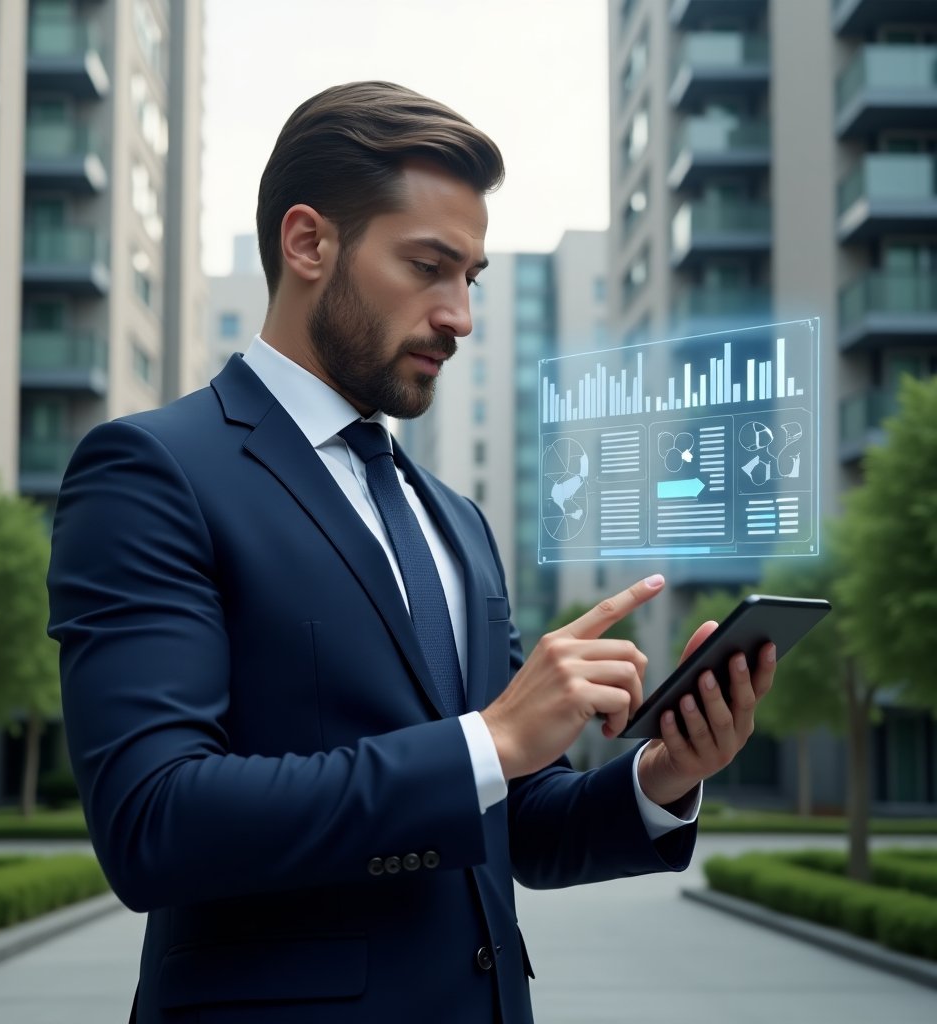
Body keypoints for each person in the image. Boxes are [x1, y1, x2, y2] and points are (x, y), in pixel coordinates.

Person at [47, 81, 775, 1024]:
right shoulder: (152, 471)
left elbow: (515, 821)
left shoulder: (457, 522)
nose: (459, 317)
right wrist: (492, 737)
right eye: (427, 266)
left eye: (469, 278)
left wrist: (662, 777)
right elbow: (154, 822)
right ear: (308, 243)